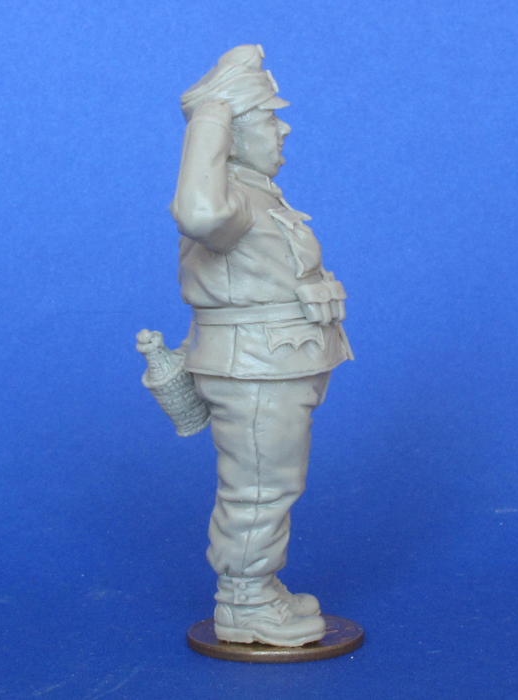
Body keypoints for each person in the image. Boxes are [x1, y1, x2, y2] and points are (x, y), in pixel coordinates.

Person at [169, 44, 353, 647]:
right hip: (254, 367)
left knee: (274, 481)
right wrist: (211, 115)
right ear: (232, 135)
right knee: (258, 487)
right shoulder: (227, 200)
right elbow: (196, 212)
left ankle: (258, 585)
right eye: (269, 117)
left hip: (276, 362)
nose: (284, 128)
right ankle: (244, 601)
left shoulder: (257, 194)